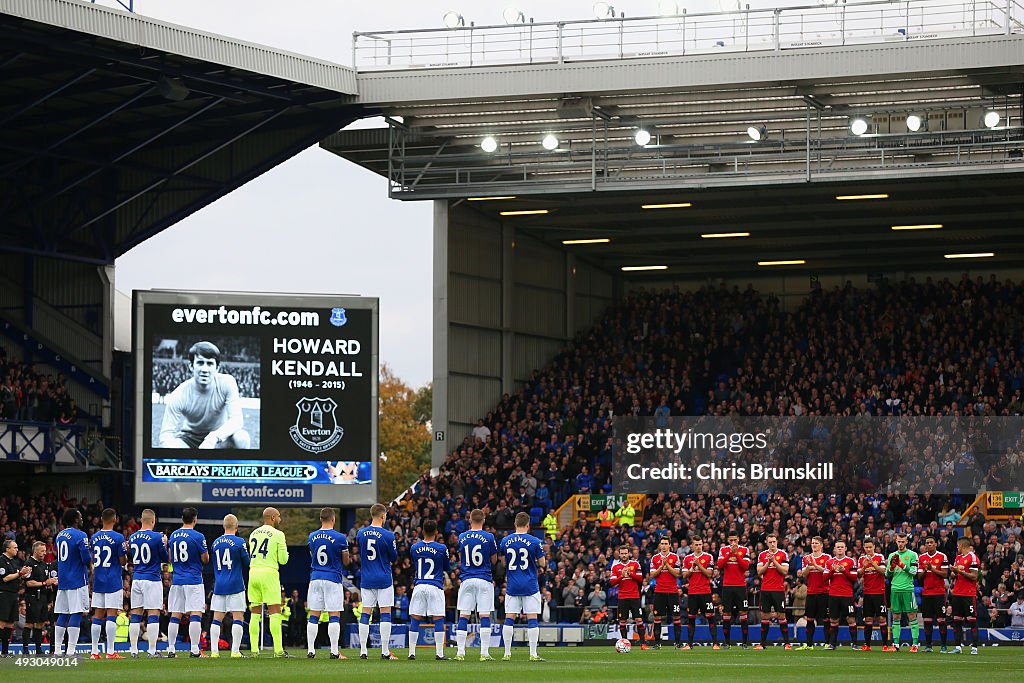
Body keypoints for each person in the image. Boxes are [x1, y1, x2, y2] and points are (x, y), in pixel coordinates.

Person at [157, 341, 250, 449]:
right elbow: (166, 434)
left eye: (210, 364)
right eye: (200, 363)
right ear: (191, 366)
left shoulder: (227, 383)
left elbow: (237, 420)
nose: (205, 369)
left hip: (219, 438)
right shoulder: (179, 394)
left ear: (217, 368)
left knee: (242, 438)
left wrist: (212, 438)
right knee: (171, 445)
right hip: (189, 440)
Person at [499, 512, 546, 661]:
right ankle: (533, 654)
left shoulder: (505, 541)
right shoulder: (535, 541)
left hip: (513, 584)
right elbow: (543, 563)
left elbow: (503, 562)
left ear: (515, 524)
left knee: (509, 618)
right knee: (532, 618)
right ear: (528, 525)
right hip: (530, 584)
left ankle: (507, 653)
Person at [356, 503, 398, 660]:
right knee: (385, 613)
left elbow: (360, 552)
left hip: (367, 577)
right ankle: (385, 651)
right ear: (383, 516)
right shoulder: (388, 535)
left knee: (365, 613)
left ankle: (363, 651)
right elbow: (394, 557)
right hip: (383, 578)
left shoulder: (361, 533)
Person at [455, 508, 498, 661]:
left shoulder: (462, 537)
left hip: (467, 579)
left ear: (470, 519)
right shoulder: (489, 537)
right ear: (484, 520)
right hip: (484, 578)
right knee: (484, 615)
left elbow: (461, 557)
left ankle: (460, 652)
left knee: (464, 615)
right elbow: (494, 560)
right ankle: (484, 653)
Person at [306, 507, 349, 660]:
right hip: (332, 578)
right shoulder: (340, 538)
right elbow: (346, 561)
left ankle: (311, 650)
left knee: (314, 615)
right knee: (334, 615)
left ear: (320, 519)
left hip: (316, 577)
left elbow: (312, 555)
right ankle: (334, 651)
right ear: (333, 519)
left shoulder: (312, 536)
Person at [247, 507, 290, 658]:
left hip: (253, 572)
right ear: (272, 518)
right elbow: (283, 560)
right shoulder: (278, 534)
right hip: (269, 573)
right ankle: (278, 650)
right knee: (275, 611)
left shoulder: (253, 533)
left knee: (255, 612)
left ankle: (254, 651)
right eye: (278, 517)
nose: (280, 519)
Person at [167, 507, 209, 658]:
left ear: (182, 518)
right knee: (195, 613)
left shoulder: (173, 535)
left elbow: (170, 557)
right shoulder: (198, 536)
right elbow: (205, 559)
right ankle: (195, 649)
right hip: (193, 579)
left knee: (175, 614)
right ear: (195, 519)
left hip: (177, 580)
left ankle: (171, 649)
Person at [127, 508, 168, 657]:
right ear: (153, 520)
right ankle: (151, 650)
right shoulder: (157, 537)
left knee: (135, 615)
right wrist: (165, 543)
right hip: (152, 579)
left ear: (141, 520)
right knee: (153, 614)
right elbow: (165, 558)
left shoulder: (132, 537)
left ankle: (133, 650)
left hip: (137, 578)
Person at [407, 519, 450, 661]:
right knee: (438, 618)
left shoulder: (414, 548)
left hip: (419, 585)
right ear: (436, 532)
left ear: (422, 531)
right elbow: (447, 567)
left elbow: (414, 563)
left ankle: (411, 653)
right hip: (435, 585)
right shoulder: (441, 548)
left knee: (415, 618)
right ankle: (439, 653)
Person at [89, 508, 127, 659]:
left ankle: (94, 651)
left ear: (101, 519)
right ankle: (110, 651)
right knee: (111, 614)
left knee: (97, 615)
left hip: (98, 580)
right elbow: (122, 561)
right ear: (114, 519)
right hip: (113, 580)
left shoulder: (94, 537)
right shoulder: (118, 537)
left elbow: (93, 558)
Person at [210, 514, 250, 658]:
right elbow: (247, 562)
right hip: (235, 585)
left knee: (216, 619)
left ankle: (214, 652)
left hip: (219, 585)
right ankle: (235, 651)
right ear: (237, 527)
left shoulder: (215, 543)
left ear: (223, 526)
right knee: (238, 617)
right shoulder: (239, 542)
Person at [53, 509, 90, 657]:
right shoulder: (81, 535)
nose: (82, 519)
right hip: (77, 580)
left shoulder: (59, 535)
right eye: (80, 517)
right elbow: (86, 559)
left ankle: (57, 650)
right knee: (76, 613)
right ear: (75, 519)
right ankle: (70, 651)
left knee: (63, 613)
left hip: (63, 580)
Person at [756, 533, 791, 650]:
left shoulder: (783, 554)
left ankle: (787, 643)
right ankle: (762, 644)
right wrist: (768, 562)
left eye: (774, 542)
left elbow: (785, 571)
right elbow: (759, 572)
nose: (772, 544)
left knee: (781, 615)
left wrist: (774, 561)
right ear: (767, 543)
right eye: (770, 542)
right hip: (765, 589)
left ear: (777, 542)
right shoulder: (762, 555)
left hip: (778, 590)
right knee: (765, 616)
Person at [886, 531, 920, 652]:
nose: (900, 544)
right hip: (895, 588)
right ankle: (896, 644)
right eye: (899, 541)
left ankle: (915, 645)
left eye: (902, 541)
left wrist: (902, 565)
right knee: (896, 616)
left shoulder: (912, 555)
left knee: (912, 615)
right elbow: (887, 574)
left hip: (907, 589)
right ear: (896, 541)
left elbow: (914, 572)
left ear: (906, 542)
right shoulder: (892, 555)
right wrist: (891, 568)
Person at [681, 536, 717, 650]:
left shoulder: (708, 557)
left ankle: (715, 644)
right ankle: (689, 644)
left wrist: (699, 565)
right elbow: (684, 575)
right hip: (693, 592)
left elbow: (709, 574)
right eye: (696, 545)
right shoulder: (687, 558)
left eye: (700, 544)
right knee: (691, 618)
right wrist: (692, 568)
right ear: (692, 546)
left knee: (710, 617)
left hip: (705, 592)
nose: (698, 547)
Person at [717, 532, 751, 649]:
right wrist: (730, 553)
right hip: (727, 587)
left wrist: (736, 554)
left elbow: (745, 566)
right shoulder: (723, 550)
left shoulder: (744, 550)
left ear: (738, 539)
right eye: (731, 540)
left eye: (735, 540)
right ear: (728, 540)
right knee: (726, 614)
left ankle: (745, 643)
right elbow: (720, 565)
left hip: (740, 587)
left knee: (743, 614)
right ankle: (727, 643)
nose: (733, 542)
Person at [857, 538, 892, 651]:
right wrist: (864, 566)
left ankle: (885, 645)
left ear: (874, 547)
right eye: (866, 547)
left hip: (879, 592)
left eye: (870, 547)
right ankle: (867, 645)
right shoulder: (861, 559)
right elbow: (858, 575)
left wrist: (873, 564)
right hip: (867, 593)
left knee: (882, 618)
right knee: (868, 619)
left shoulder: (879, 557)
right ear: (864, 548)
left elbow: (883, 572)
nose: (868, 549)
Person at [796, 535, 830, 650]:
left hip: (824, 592)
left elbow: (827, 572)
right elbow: (804, 574)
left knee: (826, 619)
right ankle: (809, 644)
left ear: (821, 545)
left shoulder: (827, 557)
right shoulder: (806, 558)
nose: (814, 545)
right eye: (812, 543)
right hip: (811, 592)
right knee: (809, 619)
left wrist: (815, 565)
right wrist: (808, 566)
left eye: (816, 543)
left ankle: (827, 643)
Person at [917, 536, 950, 652]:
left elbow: (945, 574)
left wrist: (932, 569)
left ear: (936, 544)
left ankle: (943, 646)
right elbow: (919, 576)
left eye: (931, 542)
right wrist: (926, 570)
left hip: (939, 593)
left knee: (941, 620)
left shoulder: (942, 556)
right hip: (926, 593)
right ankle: (928, 646)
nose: (929, 544)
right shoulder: (921, 557)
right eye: (927, 543)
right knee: (927, 620)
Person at [949, 536, 980, 655]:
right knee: (957, 620)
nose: (957, 547)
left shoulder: (972, 557)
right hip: (957, 593)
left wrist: (960, 572)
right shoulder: (958, 558)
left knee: (972, 620)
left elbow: (974, 576)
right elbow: (954, 575)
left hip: (968, 594)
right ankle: (957, 646)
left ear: (962, 545)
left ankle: (974, 647)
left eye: (958, 545)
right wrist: (953, 572)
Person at [610, 544, 645, 650]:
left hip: (634, 596)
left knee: (638, 619)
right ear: (619, 555)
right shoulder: (615, 567)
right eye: (622, 554)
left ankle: (643, 644)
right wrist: (621, 576)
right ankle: (624, 643)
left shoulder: (635, 564)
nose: (624, 555)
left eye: (625, 553)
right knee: (622, 621)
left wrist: (630, 574)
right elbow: (612, 582)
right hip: (622, 597)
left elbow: (640, 579)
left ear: (629, 553)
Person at [824, 540, 857, 650]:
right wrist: (832, 571)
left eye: (842, 547)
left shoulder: (850, 561)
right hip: (833, 595)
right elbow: (824, 578)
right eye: (838, 547)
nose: (840, 549)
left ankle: (854, 644)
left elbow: (854, 578)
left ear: (845, 549)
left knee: (851, 619)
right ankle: (832, 644)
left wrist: (844, 571)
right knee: (833, 620)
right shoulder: (829, 562)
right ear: (834, 549)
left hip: (847, 595)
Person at [23, 541, 55, 656]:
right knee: (30, 623)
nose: (44, 553)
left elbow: (47, 582)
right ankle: (25, 651)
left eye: (45, 551)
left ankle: (39, 651)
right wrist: (45, 583)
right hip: (32, 597)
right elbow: (29, 583)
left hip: (43, 597)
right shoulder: (29, 563)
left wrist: (51, 583)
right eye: (42, 551)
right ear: (35, 551)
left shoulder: (44, 564)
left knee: (40, 623)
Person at [0, 539, 30, 657]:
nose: (17, 549)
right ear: (7, 549)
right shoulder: (2, 560)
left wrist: (24, 575)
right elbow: (5, 578)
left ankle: (5, 652)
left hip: (13, 594)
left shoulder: (14, 561)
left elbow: (17, 578)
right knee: (1, 623)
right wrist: (19, 573)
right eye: (14, 548)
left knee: (10, 624)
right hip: (4, 594)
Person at [649, 537, 681, 649]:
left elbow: (677, 573)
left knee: (676, 617)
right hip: (659, 591)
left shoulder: (675, 557)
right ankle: (657, 643)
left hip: (672, 592)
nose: (663, 546)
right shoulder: (655, 558)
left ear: (669, 545)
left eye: (666, 543)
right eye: (662, 543)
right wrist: (661, 566)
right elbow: (652, 575)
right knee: (657, 617)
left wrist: (666, 564)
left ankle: (677, 643)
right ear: (659, 545)